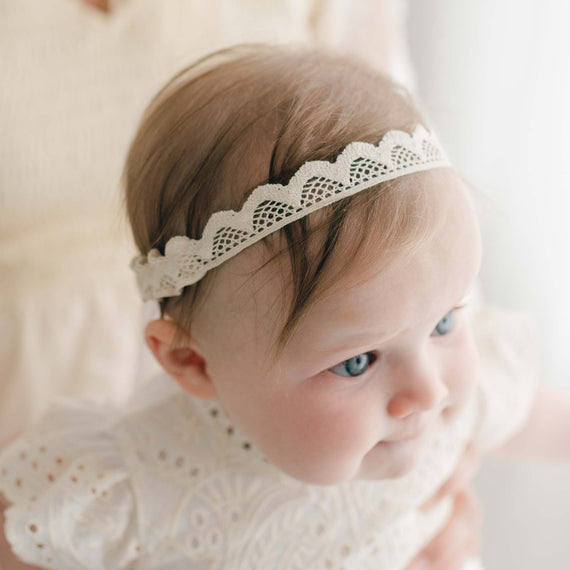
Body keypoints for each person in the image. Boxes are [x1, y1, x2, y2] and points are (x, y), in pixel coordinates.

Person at [1, 44, 567, 570]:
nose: (428, 391)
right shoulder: (133, 482)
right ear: (194, 364)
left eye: (444, 321)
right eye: (356, 362)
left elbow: (540, 421)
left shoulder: (447, 400)